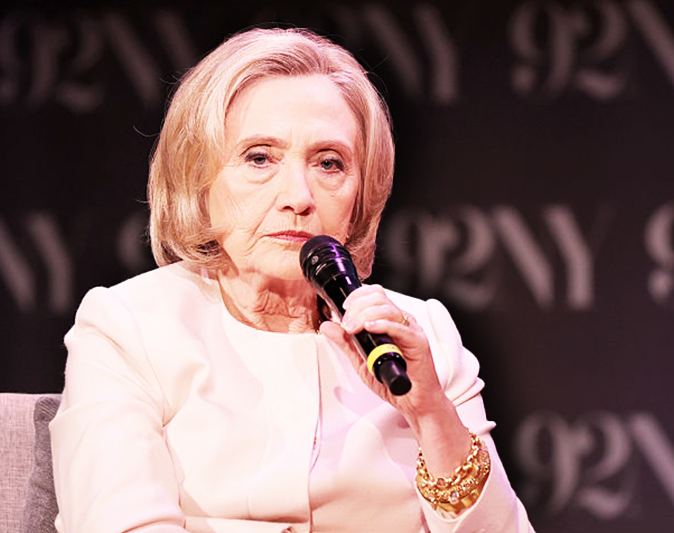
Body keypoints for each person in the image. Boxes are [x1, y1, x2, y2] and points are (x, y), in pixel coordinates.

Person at [50, 27, 535, 533]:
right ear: (199, 180)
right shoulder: (130, 327)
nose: (299, 197)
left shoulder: (419, 334)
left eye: (329, 164)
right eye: (260, 158)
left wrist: (431, 414)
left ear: (360, 196)